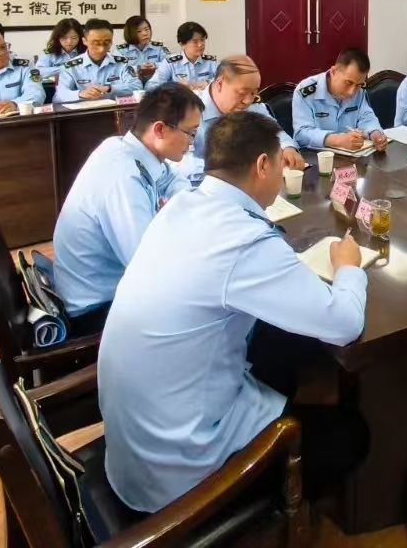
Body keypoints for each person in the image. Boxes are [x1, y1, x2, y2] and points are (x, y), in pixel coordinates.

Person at [99, 112, 369, 513]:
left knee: (281, 343)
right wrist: (348, 267)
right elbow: (345, 323)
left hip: (136, 443)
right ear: (262, 165)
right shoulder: (243, 239)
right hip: (181, 474)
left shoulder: (181, 205)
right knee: (351, 436)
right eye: (279, 163)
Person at [53, 83, 200, 332]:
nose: (192, 144)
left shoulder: (123, 147)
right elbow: (146, 266)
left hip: (112, 287)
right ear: (160, 129)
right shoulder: (123, 177)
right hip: (97, 309)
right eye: (191, 133)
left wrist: (181, 206)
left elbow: (173, 179)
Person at [187, 55, 305, 171]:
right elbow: (182, 163)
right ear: (220, 84)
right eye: (242, 93)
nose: (248, 101)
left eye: (254, 93)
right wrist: (223, 169)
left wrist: (288, 148)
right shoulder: (188, 110)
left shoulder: (254, 106)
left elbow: (276, 132)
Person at [293, 48, 389, 151]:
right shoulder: (305, 92)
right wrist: (337, 140)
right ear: (333, 72)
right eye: (348, 83)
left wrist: (375, 133)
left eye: (358, 85)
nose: (352, 92)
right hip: (315, 156)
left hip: (350, 155)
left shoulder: (358, 91)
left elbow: (366, 117)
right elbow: (301, 134)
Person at [53, 18, 144, 103]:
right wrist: (80, 94)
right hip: (84, 111)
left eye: (106, 43)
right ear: (84, 41)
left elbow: (136, 86)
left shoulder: (121, 63)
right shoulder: (70, 66)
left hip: (114, 110)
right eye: (96, 43)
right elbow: (58, 97)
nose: (101, 49)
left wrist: (109, 89)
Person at [147, 22, 217, 91]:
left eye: (202, 40)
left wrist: (206, 83)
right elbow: (151, 86)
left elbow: (222, 81)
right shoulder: (170, 63)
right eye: (195, 42)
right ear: (182, 44)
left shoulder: (211, 62)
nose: (200, 44)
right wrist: (174, 88)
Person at [118, 15, 169, 81]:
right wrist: (138, 68)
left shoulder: (159, 48)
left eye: (146, 29)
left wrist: (155, 65)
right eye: (139, 31)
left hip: (156, 84)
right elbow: (117, 71)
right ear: (130, 34)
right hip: (131, 85)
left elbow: (170, 65)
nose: (145, 33)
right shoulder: (121, 51)